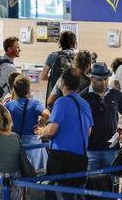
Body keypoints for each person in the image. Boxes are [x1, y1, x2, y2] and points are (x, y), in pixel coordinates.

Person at [36, 67, 93, 200]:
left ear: (62, 82)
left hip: (62, 160)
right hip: (81, 158)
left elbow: (51, 130)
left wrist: (41, 131)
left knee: (59, 194)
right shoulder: (84, 103)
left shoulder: (61, 102)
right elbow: (89, 132)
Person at [80, 62, 122, 172]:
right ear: (92, 78)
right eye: (100, 80)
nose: (104, 83)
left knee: (111, 184)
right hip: (90, 150)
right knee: (91, 184)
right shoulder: (83, 97)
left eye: (106, 79)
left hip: (112, 150)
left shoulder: (116, 94)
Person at [5, 75, 50, 170]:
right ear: (28, 89)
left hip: (15, 144)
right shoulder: (34, 103)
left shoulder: (8, 105)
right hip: (33, 145)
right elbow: (47, 114)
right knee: (36, 175)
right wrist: (41, 123)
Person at [40, 31, 77, 101]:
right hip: (72, 95)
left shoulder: (53, 56)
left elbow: (43, 76)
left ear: (60, 42)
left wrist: (55, 77)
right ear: (74, 43)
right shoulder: (77, 57)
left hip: (54, 96)